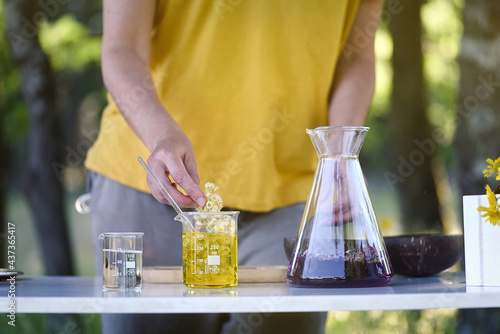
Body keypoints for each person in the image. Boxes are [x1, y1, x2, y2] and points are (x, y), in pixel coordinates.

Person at [85, 0, 384, 333]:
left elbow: (356, 55)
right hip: (156, 185)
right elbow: (120, 47)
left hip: (290, 193)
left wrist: (338, 155)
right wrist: (161, 135)